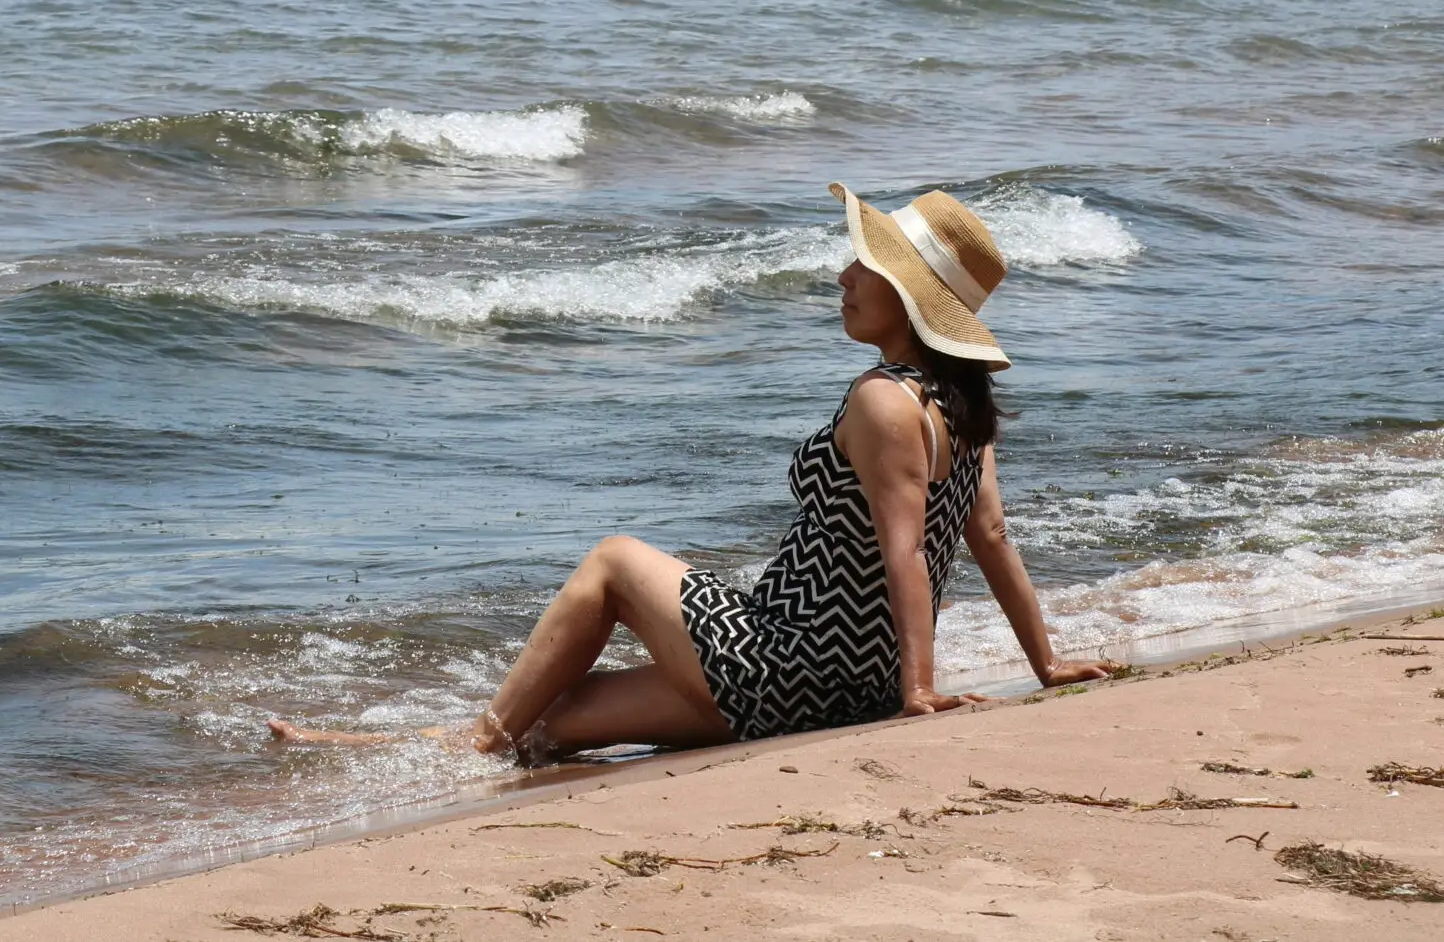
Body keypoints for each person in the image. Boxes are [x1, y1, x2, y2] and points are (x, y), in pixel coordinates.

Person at [271, 183, 1118, 759]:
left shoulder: (884, 402)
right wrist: (1043, 664)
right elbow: (991, 535)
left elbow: (904, 553)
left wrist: (922, 690)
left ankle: (477, 738)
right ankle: (380, 749)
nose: (845, 275)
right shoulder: (963, 409)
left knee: (611, 558)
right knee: (552, 721)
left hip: (784, 662)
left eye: (868, 266)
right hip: (838, 687)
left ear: (908, 295)